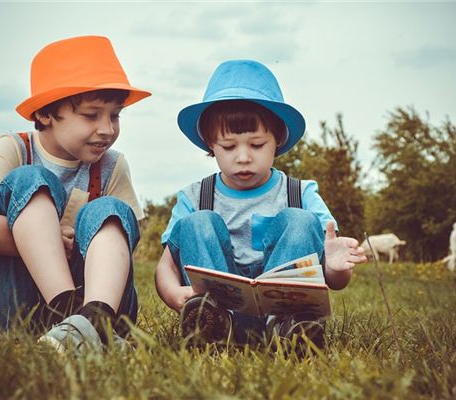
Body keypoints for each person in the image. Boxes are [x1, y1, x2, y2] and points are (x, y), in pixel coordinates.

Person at [154, 59, 367, 350]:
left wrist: (336, 267)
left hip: (285, 314)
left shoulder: (300, 193)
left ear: (277, 139)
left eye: (256, 145)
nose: (243, 157)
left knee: (300, 220)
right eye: (229, 147)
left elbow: (335, 279)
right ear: (210, 144)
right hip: (219, 313)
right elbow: (165, 266)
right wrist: (173, 294)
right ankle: (212, 328)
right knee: (197, 222)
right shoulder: (195, 196)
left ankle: (290, 331)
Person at [0, 35, 151, 352]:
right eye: (92, 115)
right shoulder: (16, 148)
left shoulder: (113, 165)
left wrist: (83, 238)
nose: (107, 129)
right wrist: (46, 239)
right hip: (15, 309)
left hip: (97, 297)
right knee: (30, 179)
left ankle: (95, 319)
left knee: (109, 210)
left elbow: (125, 238)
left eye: (115, 115)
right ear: (46, 114)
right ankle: (72, 317)